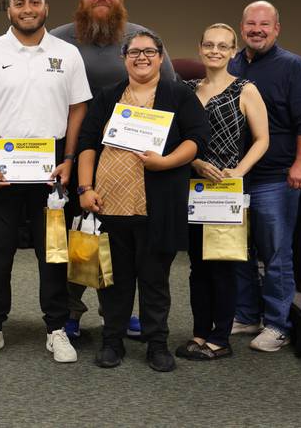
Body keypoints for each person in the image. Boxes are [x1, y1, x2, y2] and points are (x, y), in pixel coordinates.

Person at [0, 0, 90, 363]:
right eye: (19, 2)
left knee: (51, 252)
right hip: (0, 162)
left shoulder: (67, 54)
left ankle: (56, 328)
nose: (27, 8)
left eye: (35, 1)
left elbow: (77, 109)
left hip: (51, 167)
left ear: (46, 7)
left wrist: (69, 157)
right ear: (9, 10)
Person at [50, 0, 176, 339]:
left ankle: (114, 313)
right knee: (77, 233)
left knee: (118, 238)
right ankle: (70, 311)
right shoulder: (59, 39)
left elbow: (169, 91)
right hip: (74, 154)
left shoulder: (142, 39)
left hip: (130, 161)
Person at [77, 29, 209, 372]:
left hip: (157, 205)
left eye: (149, 52)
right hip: (108, 204)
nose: (141, 58)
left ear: (161, 57)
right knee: (113, 280)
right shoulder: (108, 96)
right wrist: (84, 188)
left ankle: (156, 344)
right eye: (134, 52)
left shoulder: (178, 94)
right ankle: (112, 341)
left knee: (154, 280)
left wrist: (165, 162)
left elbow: (196, 139)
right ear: (124, 59)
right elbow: (88, 143)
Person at [228, 1, 301, 352]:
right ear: (242, 27)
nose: (257, 29)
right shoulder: (232, 64)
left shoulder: (295, 68)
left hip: (275, 176)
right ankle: (247, 313)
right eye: (251, 23)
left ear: (277, 29)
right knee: (237, 250)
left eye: (264, 24)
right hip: (235, 176)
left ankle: (278, 325)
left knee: (275, 253)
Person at [174, 23, 268, 361]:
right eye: (209, 45)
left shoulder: (246, 89)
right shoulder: (184, 89)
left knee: (222, 266)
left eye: (223, 46)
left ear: (232, 51)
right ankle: (199, 333)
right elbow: (175, 138)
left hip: (226, 191)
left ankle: (220, 339)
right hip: (191, 188)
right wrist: (195, 162)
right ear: (199, 48)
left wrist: (239, 172)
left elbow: (262, 140)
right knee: (197, 266)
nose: (215, 51)